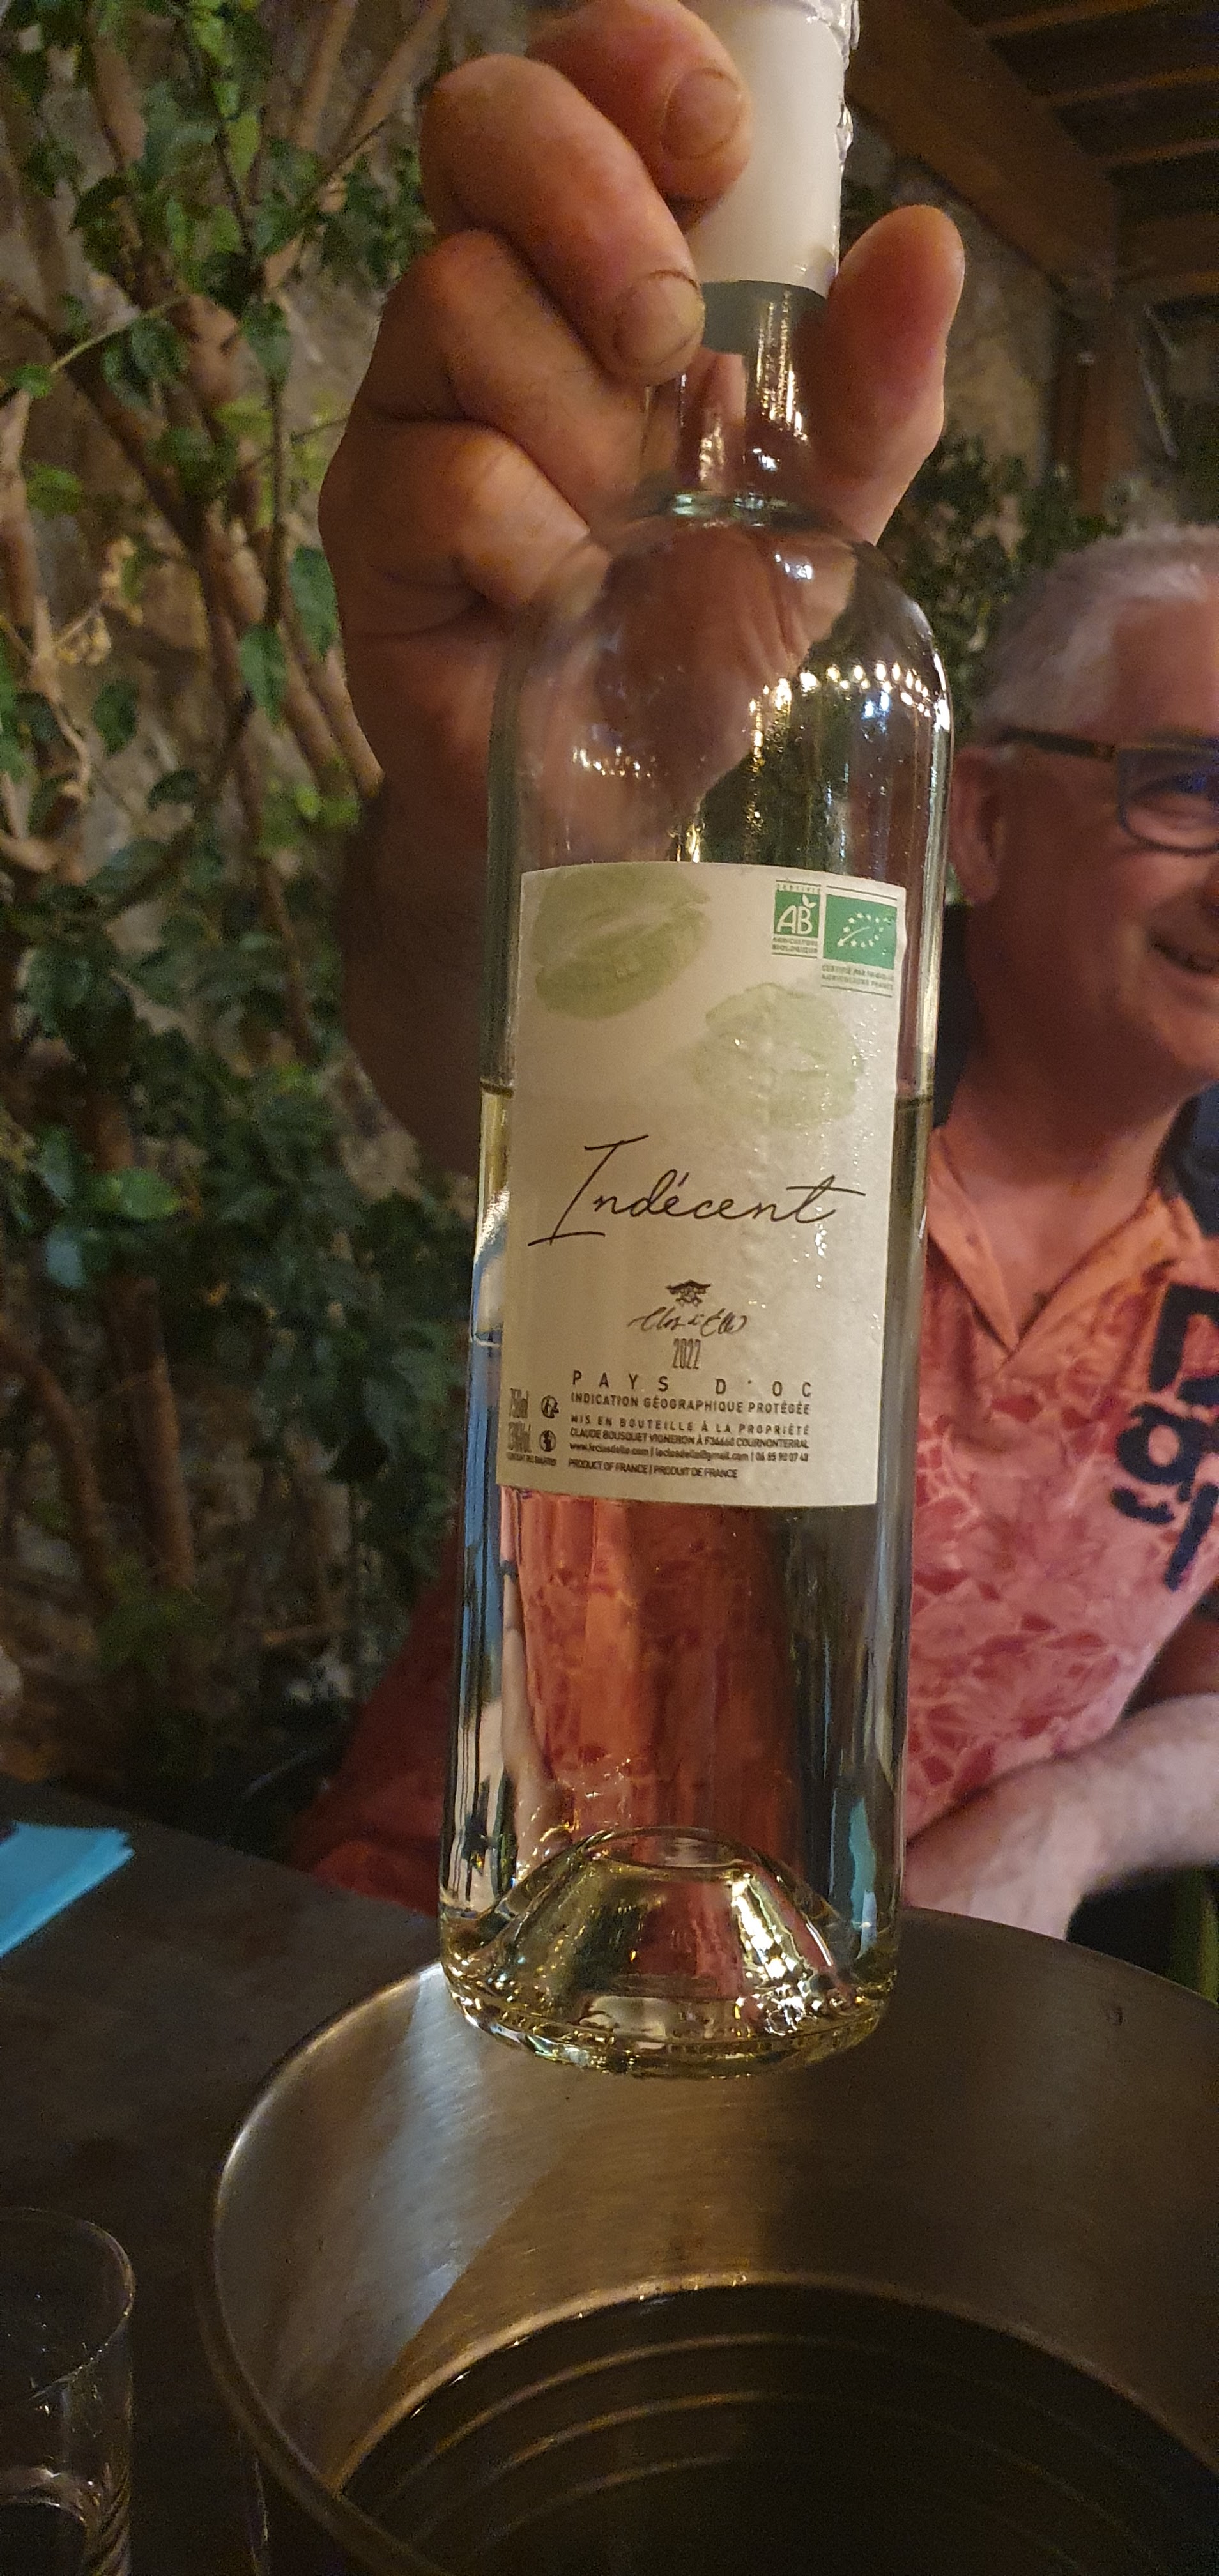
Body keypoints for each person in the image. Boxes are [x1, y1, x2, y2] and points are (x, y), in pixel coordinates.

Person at [307, 0, 1219, 1940]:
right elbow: (472, 1052)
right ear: (977, 817)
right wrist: (499, 815)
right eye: (1186, 785)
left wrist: (1079, 1810)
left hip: (886, 2030)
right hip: (462, 1955)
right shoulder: (787, 1057)